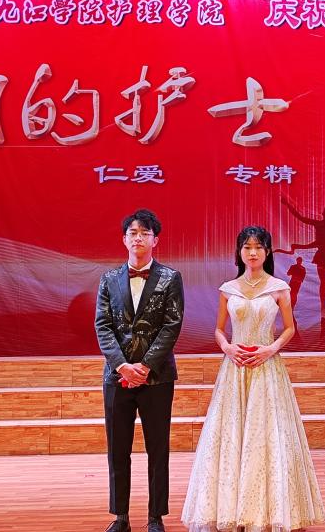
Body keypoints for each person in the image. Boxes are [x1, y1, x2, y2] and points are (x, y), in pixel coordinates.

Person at [181, 226, 325, 532]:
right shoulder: (228, 289)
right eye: (247, 247)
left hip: (266, 368)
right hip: (234, 370)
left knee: (266, 436)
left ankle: (268, 512)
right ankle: (231, 512)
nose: (252, 252)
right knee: (232, 436)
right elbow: (219, 329)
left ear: (267, 252)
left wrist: (270, 349)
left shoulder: (279, 288)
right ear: (239, 252)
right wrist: (227, 347)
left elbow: (290, 328)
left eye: (258, 247)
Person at [95, 209, 184, 532]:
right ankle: (120, 516)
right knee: (117, 449)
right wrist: (122, 365)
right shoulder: (108, 279)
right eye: (133, 233)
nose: (138, 238)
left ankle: (155, 517)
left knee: (157, 449)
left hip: (156, 377)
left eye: (145, 233)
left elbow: (172, 325)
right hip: (117, 376)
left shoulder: (170, 278)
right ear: (124, 239)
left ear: (155, 240)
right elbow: (103, 325)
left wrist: (145, 367)